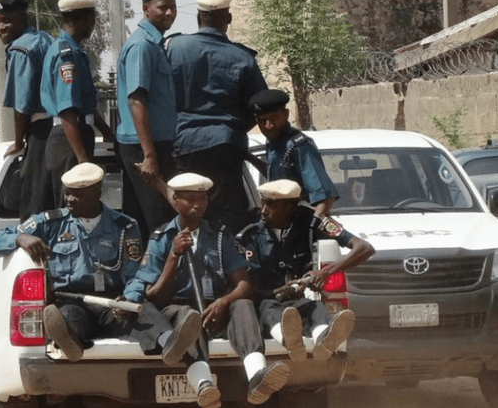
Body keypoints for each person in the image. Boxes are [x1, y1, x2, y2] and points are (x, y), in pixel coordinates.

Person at [0, 163, 200, 365]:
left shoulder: (124, 226)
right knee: (68, 317)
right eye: (67, 193)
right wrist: (21, 239)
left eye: (77, 195)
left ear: (97, 192)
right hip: (71, 300)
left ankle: (169, 344)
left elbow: (136, 274)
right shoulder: (50, 223)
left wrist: (128, 299)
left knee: (143, 311)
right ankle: (69, 341)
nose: (69, 200)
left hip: (112, 302)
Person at [124, 173, 290, 408]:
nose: (197, 205)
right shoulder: (160, 238)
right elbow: (155, 296)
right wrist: (173, 256)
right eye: (190, 199)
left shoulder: (221, 236)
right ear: (174, 200)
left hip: (215, 307)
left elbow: (244, 284)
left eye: (202, 199)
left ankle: (257, 377)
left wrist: (224, 302)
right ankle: (204, 386)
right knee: (187, 317)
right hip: (178, 308)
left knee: (242, 304)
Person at [165, 0, 268, 235]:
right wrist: (233, 129)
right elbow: (260, 105)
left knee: (187, 215)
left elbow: (161, 97)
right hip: (226, 147)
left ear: (199, 18)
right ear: (228, 19)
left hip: (185, 145)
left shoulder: (175, 47)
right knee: (227, 220)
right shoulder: (243, 57)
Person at [237, 179, 375, 362]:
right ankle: (290, 342)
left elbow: (364, 248)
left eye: (271, 205)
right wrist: (276, 292)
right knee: (269, 309)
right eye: (263, 204)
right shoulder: (251, 235)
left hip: (297, 301)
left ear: (289, 207)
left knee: (315, 308)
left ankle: (324, 341)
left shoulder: (311, 222)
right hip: (267, 302)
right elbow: (248, 289)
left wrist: (324, 272)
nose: (263, 211)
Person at [116, 0, 179, 239]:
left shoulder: (154, 43)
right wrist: (149, 155)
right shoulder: (142, 45)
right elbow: (136, 100)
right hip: (145, 147)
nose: (169, 13)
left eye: (173, 7)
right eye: (162, 7)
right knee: (159, 221)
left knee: (150, 220)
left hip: (155, 145)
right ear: (146, 9)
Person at [40, 0, 113, 208]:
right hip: (68, 140)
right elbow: (67, 110)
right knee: (73, 208)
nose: (93, 25)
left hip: (75, 134)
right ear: (83, 19)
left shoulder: (73, 51)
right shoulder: (66, 56)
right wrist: (82, 159)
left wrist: (107, 132)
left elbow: (85, 105)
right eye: (92, 19)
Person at [0, 0, 54, 221]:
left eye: (6, 21)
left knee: (33, 209)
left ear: (22, 18)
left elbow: (22, 106)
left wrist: (18, 143)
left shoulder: (20, 49)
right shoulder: (45, 38)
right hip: (61, 127)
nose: (1, 28)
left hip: (41, 130)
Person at [249, 89, 338, 219]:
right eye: (263, 121)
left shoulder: (298, 146)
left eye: (274, 118)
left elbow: (325, 198)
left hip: (299, 222)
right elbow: (277, 175)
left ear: (286, 115)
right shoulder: (273, 142)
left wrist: (311, 225)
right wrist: (247, 157)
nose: (268, 126)